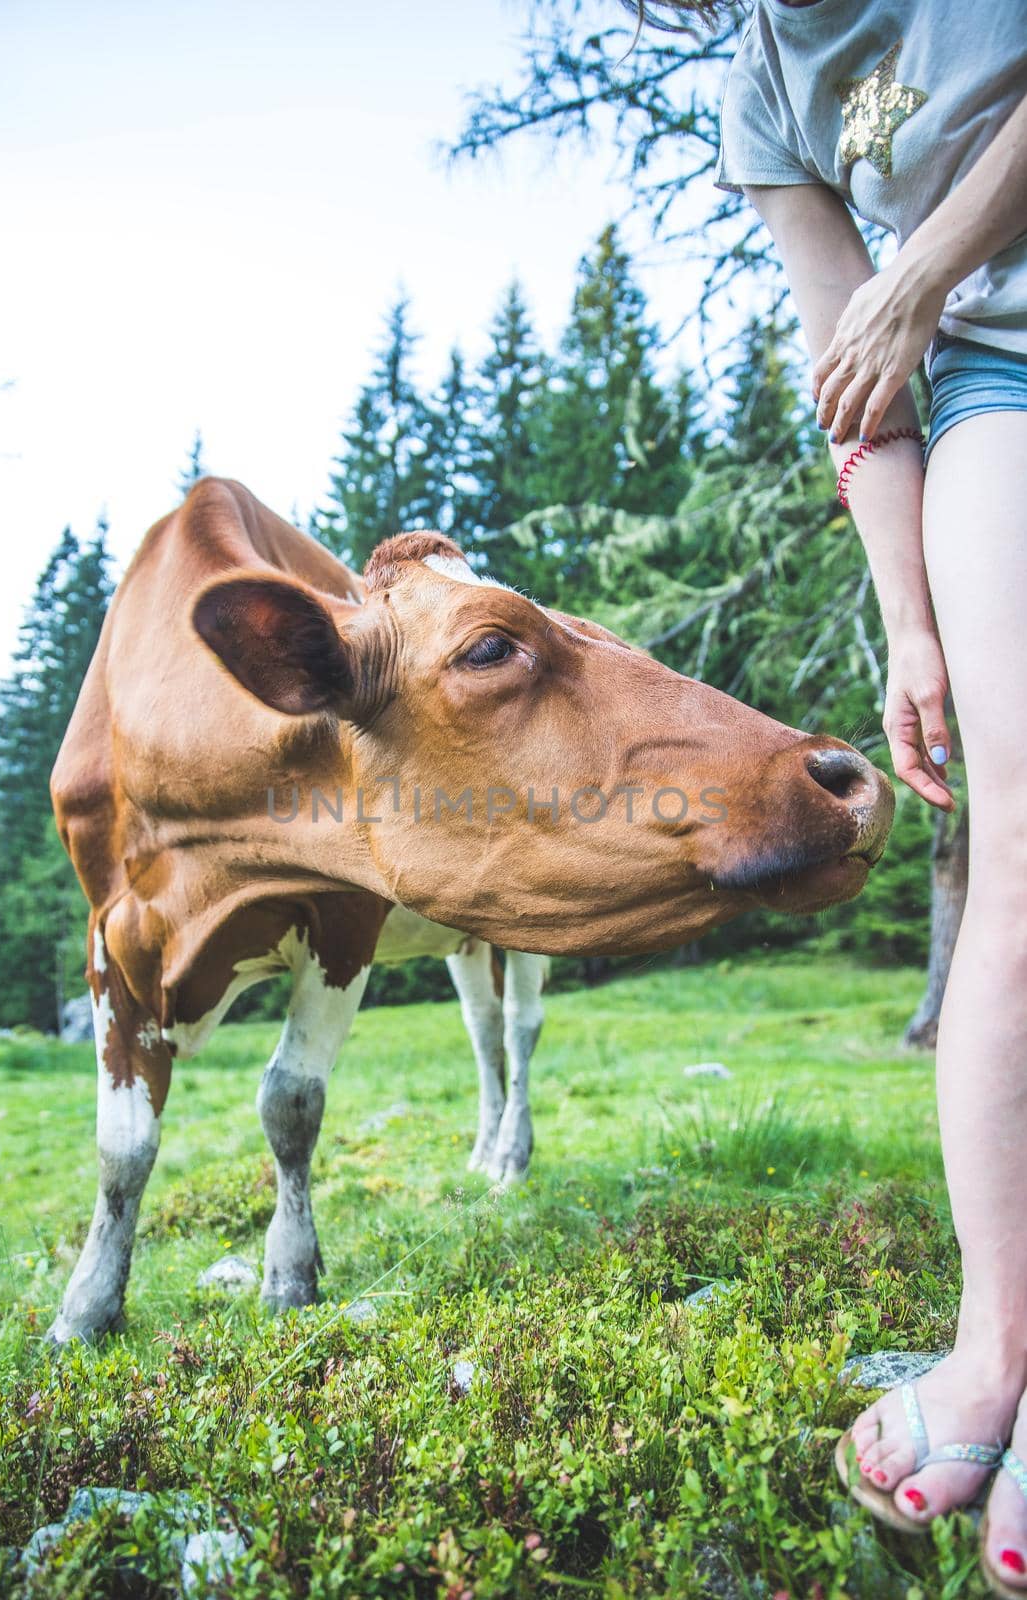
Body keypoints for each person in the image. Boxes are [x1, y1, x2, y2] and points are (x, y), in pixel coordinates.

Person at [622, 0, 1027, 1589]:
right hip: (1006, 382)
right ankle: (997, 1346)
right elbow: (855, 362)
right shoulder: (765, 84)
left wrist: (925, 269)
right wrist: (911, 621)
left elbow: (895, 303)